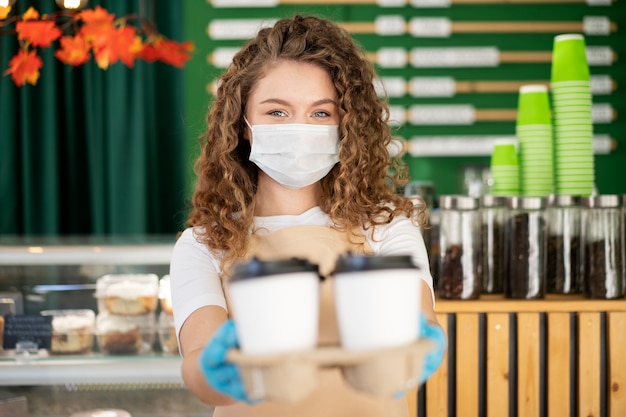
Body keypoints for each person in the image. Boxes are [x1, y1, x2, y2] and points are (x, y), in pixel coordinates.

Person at [169, 14, 445, 417]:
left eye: (320, 113)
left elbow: (423, 323)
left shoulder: (386, 229)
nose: (299, 128)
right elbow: (198, 364)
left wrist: (417, 345)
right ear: (243, 124)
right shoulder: (203, 244)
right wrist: (220, 368)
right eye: (276, 112)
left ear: (344, 124)